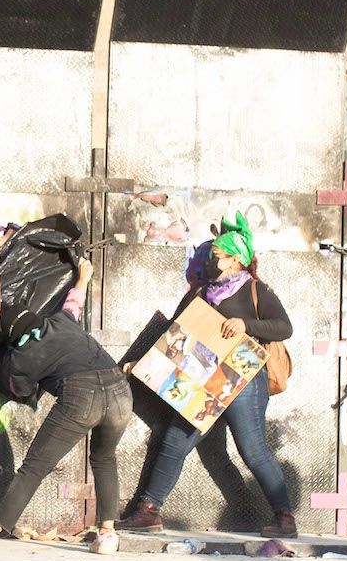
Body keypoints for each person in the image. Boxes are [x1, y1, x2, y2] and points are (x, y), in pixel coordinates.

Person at [117, 213, 297, 538]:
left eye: (217, 255)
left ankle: (284, 517)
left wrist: (247, 326)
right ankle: (149, 510)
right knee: (175, 439)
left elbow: (285, 327)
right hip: (202, 376)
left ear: (235, 260)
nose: (211, 259)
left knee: (252, 448)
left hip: (241, 375)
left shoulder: (257, 291)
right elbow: (174, 333)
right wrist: (143, 364)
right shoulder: (201, 294)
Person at [0, 255, 132, 558]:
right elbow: (73, 305)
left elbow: (20, 391)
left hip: (81, 394)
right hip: (120, 391)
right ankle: (108, 534)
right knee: (104, 457)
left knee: (34, 468)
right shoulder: (60, 321)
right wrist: (83, 279)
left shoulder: (21, 357)